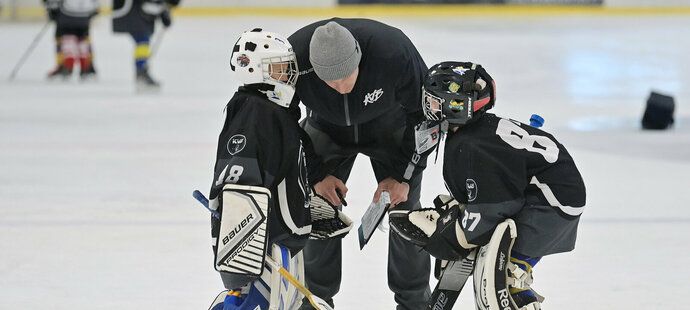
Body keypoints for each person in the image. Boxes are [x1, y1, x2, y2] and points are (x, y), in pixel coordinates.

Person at [390, 61, 586, 309]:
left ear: (457, 107)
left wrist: (456, 236)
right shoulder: (477, 133)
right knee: (490, 251)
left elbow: (496, 206)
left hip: (549, 204)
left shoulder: (471, 146)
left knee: (508, 277)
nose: (429, 108)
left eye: (435, 102)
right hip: (549, 192)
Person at [288, 18, 432, 309]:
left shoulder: (394, 52)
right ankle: (314, 299)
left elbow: (425, 117)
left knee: (405, 214)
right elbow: (283, 122)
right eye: (330, 81)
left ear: (359, 58)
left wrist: (404, 176)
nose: (340, 87)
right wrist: (315, 175)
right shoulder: (292, 59)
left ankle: (415, 302)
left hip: (390, 127)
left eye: (346, 77)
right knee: (318, 211)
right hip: (326, 128)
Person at [206, 29, 349, 310]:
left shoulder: (272, 111)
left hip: (281, 242)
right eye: (279, 68)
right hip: (266, 247)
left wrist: (304, 209)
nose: (288, 75)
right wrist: (246, 241)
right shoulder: (255, 113)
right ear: (253, 69)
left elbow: (284, 169)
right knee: (254, 302)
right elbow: (239, 182)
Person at [112, 0, 179, 91]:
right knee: (142, 39)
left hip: (135, 10)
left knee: (143, 40)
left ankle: (141, 70)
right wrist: (163, 10)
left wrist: (163, 10)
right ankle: (141, 71)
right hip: (132, 9)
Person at [43, 0, 99, 80]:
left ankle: (66, 65)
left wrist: (51, 7)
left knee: (66, 36)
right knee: (82, 37)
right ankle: (86, 66)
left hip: (66, 12)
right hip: (85, 11)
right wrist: (95, 8)